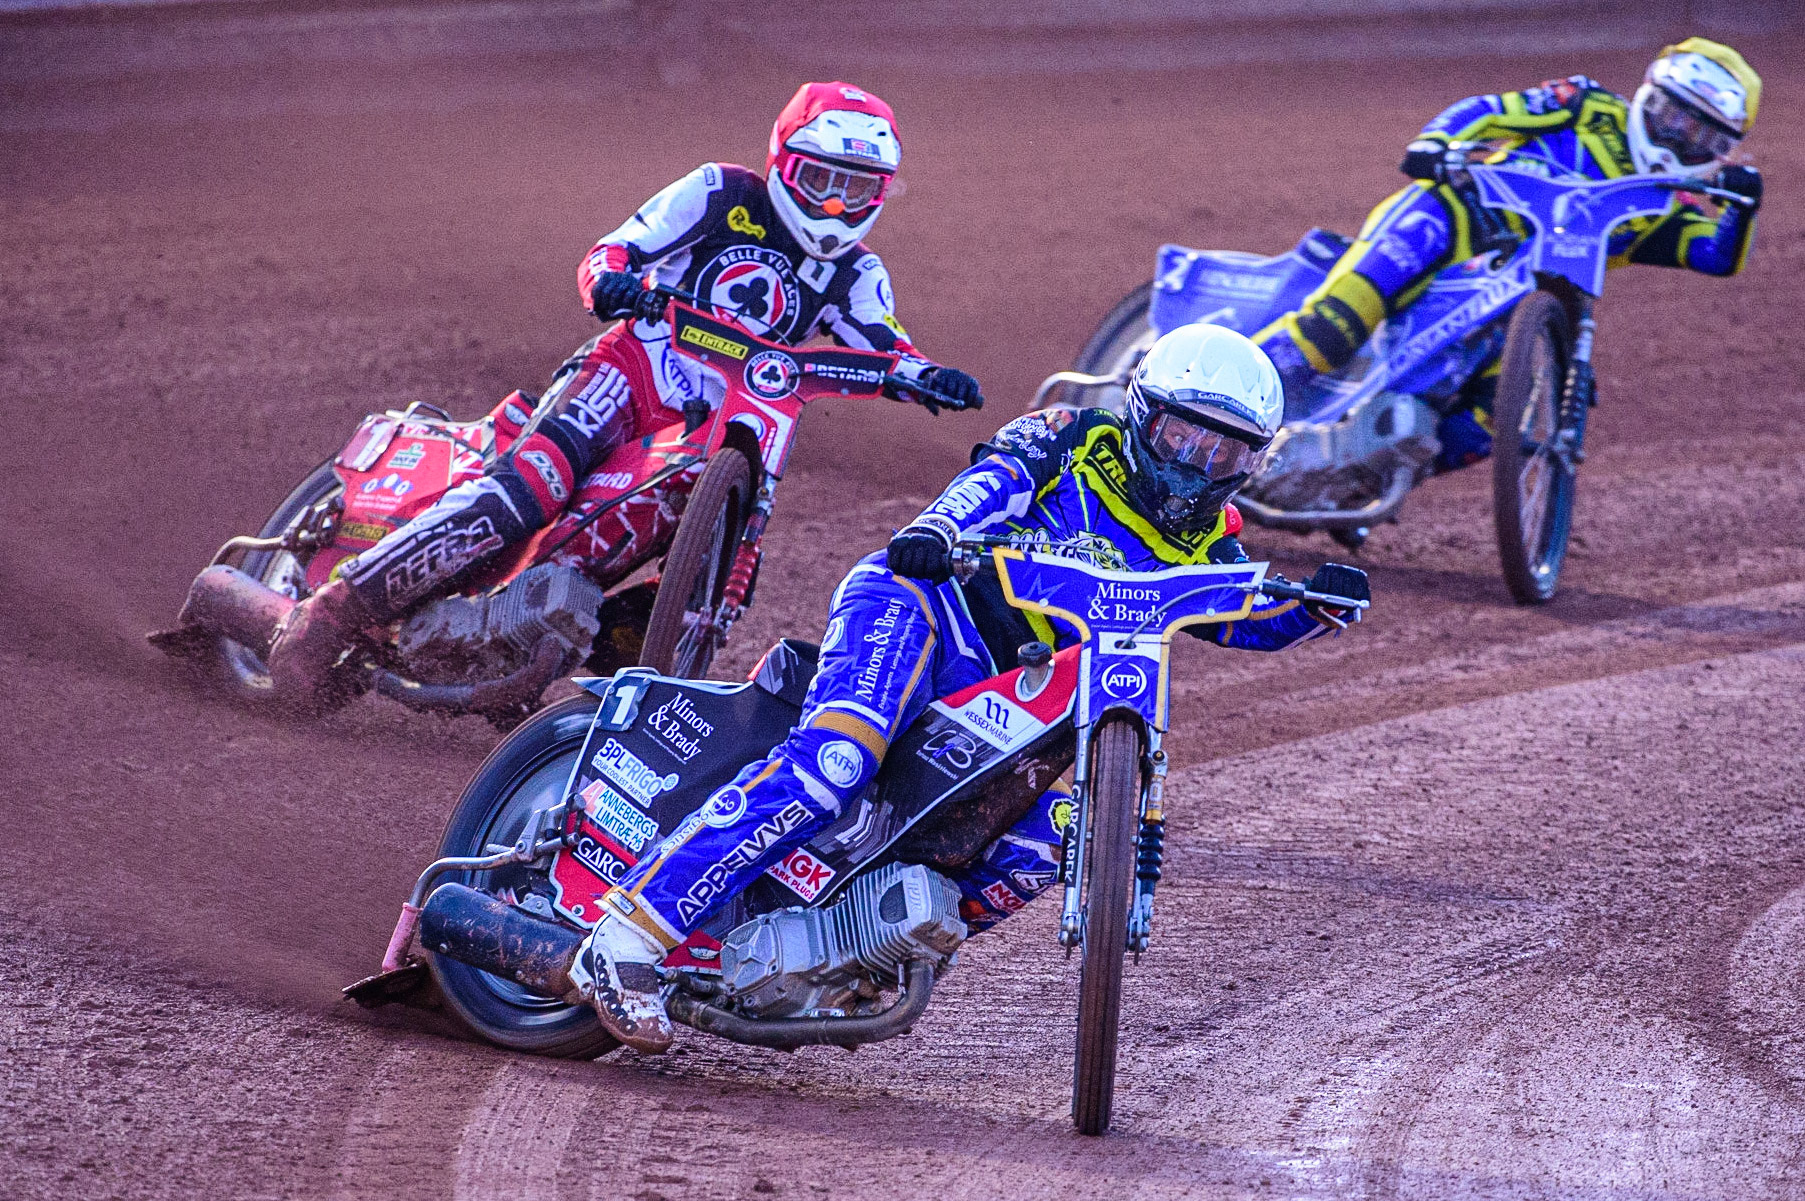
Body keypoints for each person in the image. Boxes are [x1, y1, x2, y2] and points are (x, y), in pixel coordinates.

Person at [566, 324, 1371, 1053]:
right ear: (1139, 413)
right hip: (922, 605)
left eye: (1223, 452)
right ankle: (629, 935)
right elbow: (991, 483)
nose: (1196, 464)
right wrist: (936, 532)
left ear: (1251, 463)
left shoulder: (1211, 540)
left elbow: (1241, 616)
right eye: (1180, 436)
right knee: (837, 762)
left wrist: (1317, 608)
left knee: (1065, 833)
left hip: (1017, 698)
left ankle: (867, 952)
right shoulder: (1069, 434)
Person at [262, 81, 983, 700]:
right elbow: (615, 249)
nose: (833, 207)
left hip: (719, 421)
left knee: (679, 542)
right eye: (819, 181)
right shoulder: (719, 192)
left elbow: (884, 343)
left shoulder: (856, 274)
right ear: (783, 162)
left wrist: (926, 378)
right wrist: (610, 283)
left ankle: (565, 656)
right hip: (633, 368)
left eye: (854, 190)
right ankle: (331, 612)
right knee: (530, 491)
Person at [1253, 37, 1763, 469]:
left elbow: (1717, 257)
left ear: (1722, 149)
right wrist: (1436, 141)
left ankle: (1364, 477)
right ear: (1648, 97)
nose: (1677, 136)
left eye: (1700, 133)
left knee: (1486, 424)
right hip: (1453, 217)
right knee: (1336, 325)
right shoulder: (1586, 105)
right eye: (1673, 115)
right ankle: (1221, 413)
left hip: (1517, 300)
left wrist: (1743, 205)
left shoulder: (1667, 210)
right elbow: (1490, 111)